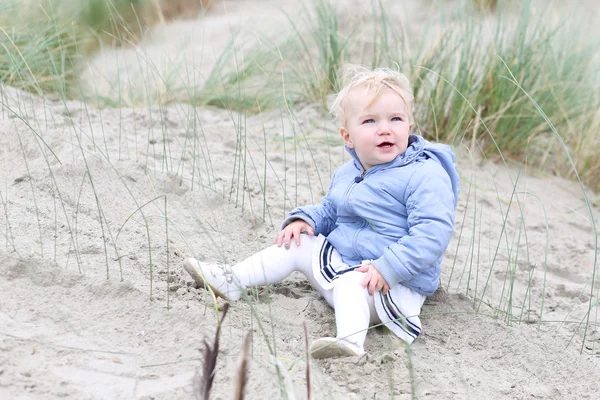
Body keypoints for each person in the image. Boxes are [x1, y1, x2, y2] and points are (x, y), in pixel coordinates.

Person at [183, 64, 459, 358]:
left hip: (393, 285)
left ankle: (350, 342)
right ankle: (232, 280)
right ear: (348, 136)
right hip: (348, 266)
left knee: (352, 282)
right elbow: (331, 209)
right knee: (297, 243)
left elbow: (432, 233)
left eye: (395, 119)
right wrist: (307, 219)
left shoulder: (424, 174)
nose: (385, 128)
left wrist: (389, 267)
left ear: (409, 126)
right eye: (369, 121)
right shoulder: (349, 172)